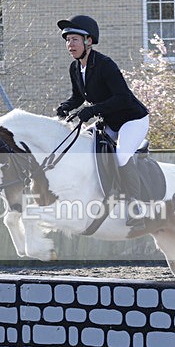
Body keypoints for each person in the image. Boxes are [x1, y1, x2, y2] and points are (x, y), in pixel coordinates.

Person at [55, 15, 150, 228]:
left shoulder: (105, 65)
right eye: (67, 40)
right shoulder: (75, 68)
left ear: (88, 41)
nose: (70, 44)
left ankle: (136, 206)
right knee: (82, 145)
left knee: (121, 156)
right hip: (110, 121)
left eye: (74, 39)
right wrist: (65, 106)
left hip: (132, 120)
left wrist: (93, 110)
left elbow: (123, 98)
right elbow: (78, 97)